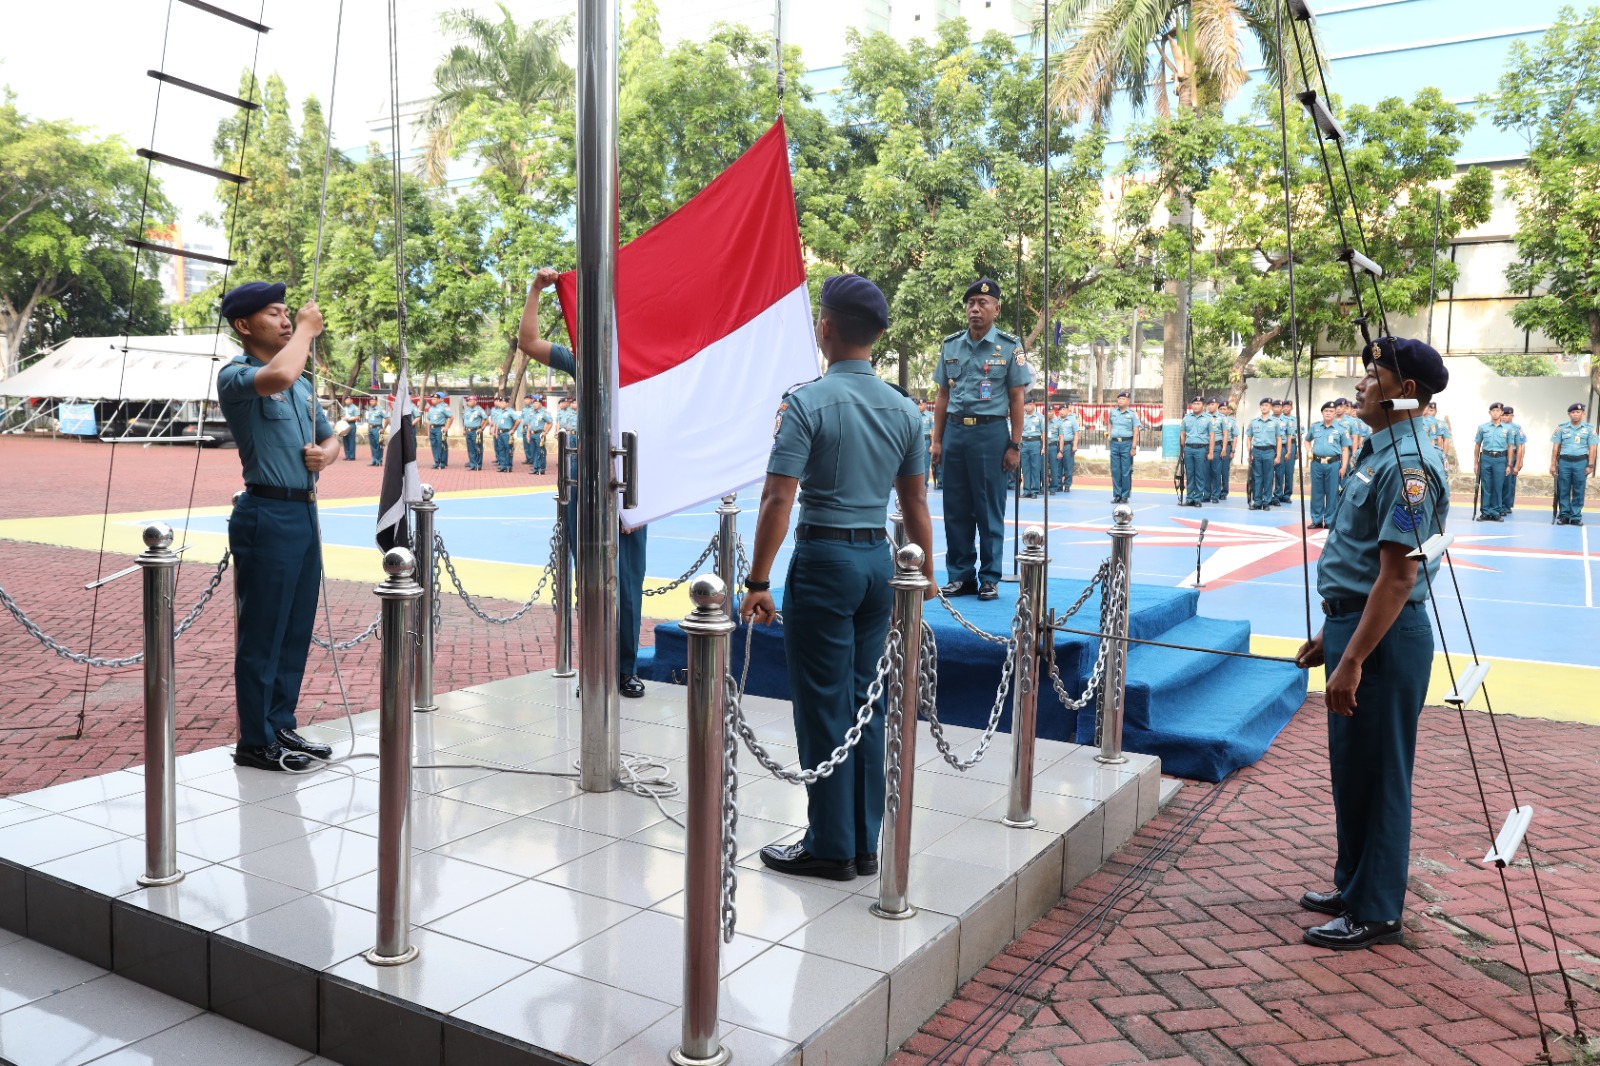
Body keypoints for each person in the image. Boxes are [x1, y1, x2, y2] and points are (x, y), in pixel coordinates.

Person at [740, 274, 935, 881]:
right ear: (877, 336)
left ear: (826, 328)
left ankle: (829, 846)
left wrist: (757, 580)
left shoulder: (807, 403)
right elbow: (916, 503)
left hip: (824, 562)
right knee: (866, 704)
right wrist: (923, 573)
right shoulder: (905, 409)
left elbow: (778, 498)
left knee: (825, 708)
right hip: (881, 565)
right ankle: (864, 842)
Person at [1294, 335, 1450, 951]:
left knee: (1381, 773)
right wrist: (1330, 637)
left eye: (1373, 372)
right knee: (1353, 771)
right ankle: (1353, 885)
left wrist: (1353, 656)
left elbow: (1398, 575)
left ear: (1404, 390)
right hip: (1356, 628)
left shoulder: (1408, 465)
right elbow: (1362, 564)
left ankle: (1377, 909)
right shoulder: (1379, 451)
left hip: (1382, 641)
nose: (1360, 383)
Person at [214, 281, 338, 773]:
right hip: (266, 513)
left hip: (303, 510)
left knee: (294, 627)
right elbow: (281, 374)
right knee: (263, 632)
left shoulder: (302, 385)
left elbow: (330, 441)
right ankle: (255, 740)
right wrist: (307, 331)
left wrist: (321, 457)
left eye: (290, 313)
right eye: (275, 313)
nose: (287, 320)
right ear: (245, 326)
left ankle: (281, 722)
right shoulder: (237, 376)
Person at [518, 268, 649, 698]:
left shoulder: (650, 362)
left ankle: (624, 669)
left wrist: (637, 506)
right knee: (592, 584)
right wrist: (537, 290)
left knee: (628, 588)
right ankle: (595, 669)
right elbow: (529, 343)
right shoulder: (585, 358)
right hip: (586, 486)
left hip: (630, 484)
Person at [932, 279, 1030, 601]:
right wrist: (936, 441)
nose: (975, 308)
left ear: (996, 308)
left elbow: (1017, 399)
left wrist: (1014, 444)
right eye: (970, 303)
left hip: (990, 435)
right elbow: (942, 396)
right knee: (955, 508)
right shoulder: (951, 346)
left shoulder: (1009, 347)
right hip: (956, 433)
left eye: (982, 303)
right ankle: (960, 576)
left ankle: (989, 577)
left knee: (988, 508)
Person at [1305, 401, 1350, 528]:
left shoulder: (1341, 429)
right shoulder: (1315, 427)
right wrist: (1309, 451)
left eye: (1331, 411)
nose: (1328, 413)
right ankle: (1317, 520)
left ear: (1335, 413)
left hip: (1333, 464)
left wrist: (1344, 467)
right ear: (1322, 413)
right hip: (1317, 463)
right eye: (1326, 411)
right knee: (1317, 492)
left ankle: (1330, 521)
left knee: (1332, 493)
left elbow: (1345, 450)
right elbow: (1307, 440)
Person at [1551, 402, 1597, 525]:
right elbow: (1556, 447)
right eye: (1573, 412)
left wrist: (1590, 465)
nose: (1575, 414)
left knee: (1579, 489)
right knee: (1563, 489)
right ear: (1569, 414)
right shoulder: (1561, 428)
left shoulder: (1589, 429)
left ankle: (1575, 516)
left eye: (1578, 412)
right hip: (1564, 462)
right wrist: (1553, 464)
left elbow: (1593, 448)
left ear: (1583, 414)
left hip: (1581, 462)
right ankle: (1564, 515)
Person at [1473, 402, 1511, 521]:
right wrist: (1476, 462)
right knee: (1486, 485)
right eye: (1493, 411)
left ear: (1501, 413)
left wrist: (1509, 464)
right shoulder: (1483, 427)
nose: (1495, 413)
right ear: (1490, 413)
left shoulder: (1507, 429)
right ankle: (1485, 511)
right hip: (1486, 458)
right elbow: (1477, 445)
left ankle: (1495, 512)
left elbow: (1510, 447)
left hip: (1500, 459)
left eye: (1498, 411)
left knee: (1498, 486)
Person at [1246, 398, 1282, 510]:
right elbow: (1249, 438)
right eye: (1262, 405)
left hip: (1269, 451)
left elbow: (1279, 439)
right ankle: (1257, 501)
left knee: (1268, 477)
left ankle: (1266, 502)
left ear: (1270, 407)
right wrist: (1249, 451)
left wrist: (1278, 455)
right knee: (1257, 477)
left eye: (1266, 405)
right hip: (1256, 451)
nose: (1264, 407)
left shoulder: (1275, 422)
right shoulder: (1254, 422)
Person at [1179, 396, 1212, 507]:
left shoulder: (1208, 419)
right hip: (1188, 449)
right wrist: (1182, 450)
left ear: (1203, 406)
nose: (1196, 406)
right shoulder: (1186, 418)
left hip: (1201, 449)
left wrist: (1211, 452)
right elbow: (1182, 435)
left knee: (1199, 474)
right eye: (1194, 404)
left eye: (1198, 404)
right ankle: (1189, 498)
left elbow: (1212, 436)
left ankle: (1198, 498)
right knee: (1190, 474)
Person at [1107, 391, 1138, 503]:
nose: (1120, 400)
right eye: (1119, 399)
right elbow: (1109, 423)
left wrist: (1133, 447)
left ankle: (1125, 495)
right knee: (1115, 470)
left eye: (1123, 399)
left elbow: (1136, 431)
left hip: (1126, 443)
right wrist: (1109, 433)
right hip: (1114, 443)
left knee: (1126, 470)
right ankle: (1117, 495)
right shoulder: (1113, 412)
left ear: (1128, 401)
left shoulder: (1132, 414)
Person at [1501, 405, 1525, 516]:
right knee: (1498, 482)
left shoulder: (1516, 428)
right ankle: (1498, 504)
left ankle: (1506, 505)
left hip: (1512, 456)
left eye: (1506, 415)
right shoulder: (1497, 426)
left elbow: (1521, 446)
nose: (1504, 417)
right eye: (1503, 415)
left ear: (1512, 416)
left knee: (1509, 483)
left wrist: (1519, 462)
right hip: (1499, 456)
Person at [1052, 404, 1080, 493]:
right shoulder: (1056, 421)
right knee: (1058, 466)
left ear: (1068, 410)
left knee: (1068, 466)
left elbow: (1076, 433)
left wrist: (1075, 445)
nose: (1061, 411)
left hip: (1068, 445)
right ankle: (1059, 485)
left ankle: (1067, 485)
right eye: (1060, 410)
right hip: (1057, 445)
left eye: (1064, 409)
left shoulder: (1072, 420)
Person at [1276, 399, 1300, 504]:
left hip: (1293, 445)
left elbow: (1299, 435)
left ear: (1291, 408)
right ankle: (1278, 494)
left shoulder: (1296, 420)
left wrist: (1297, 450)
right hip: (1281, 445)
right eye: (1284, 406)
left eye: (1288, 406)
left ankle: (1287, 495)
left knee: (1289, 472)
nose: (1286, 408)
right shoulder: (1278, 419)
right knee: (1279, 471)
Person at [1020, 401, 1044, 498]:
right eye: (1026, 404)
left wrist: (1043, 447)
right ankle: (1027, 490)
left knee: (1035, 467)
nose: (1028, 406)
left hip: (1035, 442)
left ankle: (1035, 490)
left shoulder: (1039, 417)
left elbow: (1043, 433)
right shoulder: (1022, 416)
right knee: (1025, 468)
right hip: (1024, 443)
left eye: (1030, 404)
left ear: (1034, 406)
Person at [1204, 398, 1225, 502]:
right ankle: (1207, 494)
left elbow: (1225, 434)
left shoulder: (1222, 418)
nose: (1210, 406)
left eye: (1212, 404)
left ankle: (1216, 495)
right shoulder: (1204, 417)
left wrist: (1224, 449)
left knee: (1216, 471)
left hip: (1217, 447)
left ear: (1217, 405)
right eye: (1209, 404)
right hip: (1205, 447)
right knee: (1206, 471)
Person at [425, 392, 452, 469]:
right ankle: (437, 462)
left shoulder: (444, 407)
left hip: (440, 428)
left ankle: (442, 462)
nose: (432, 400)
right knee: (434, 446)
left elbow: (451, 417)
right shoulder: (431, 408)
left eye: (434, 399)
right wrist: (428, 431)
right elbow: (428, 420)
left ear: (440, 399)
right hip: (432, 429)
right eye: (432, 399)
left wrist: (447, 427)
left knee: (441, 445)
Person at [491, 395, 517, 472]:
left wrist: (513, 430)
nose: (501, 404)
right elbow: (496, 423)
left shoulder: (510, 412)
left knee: (508, 449)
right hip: (499, 433)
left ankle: (508, 466)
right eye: (500, 402)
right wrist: (495, 432)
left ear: (507, 403)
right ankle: (503, 466)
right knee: (501, 449)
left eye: (503, 402)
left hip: (507, 433)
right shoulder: (499, 412)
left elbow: (518, 420)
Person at [460, 395, 487, 471]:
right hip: (468, 431)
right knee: (470, 449)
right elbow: (464, 420)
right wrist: (464, 429)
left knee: (477, 448)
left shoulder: (479, 410)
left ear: (475, 402)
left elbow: (485, 419)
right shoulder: (466, 410)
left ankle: (478, 465)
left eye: (470, 401)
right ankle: (472, 464)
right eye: (468, 401)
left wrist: (482, 428)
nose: (469, 402)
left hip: (476, 431)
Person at [1219, 402, 1239, 501]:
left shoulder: (1232, 421)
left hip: (1227, 447)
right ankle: (1215, 491)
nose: (1223, 411)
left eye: (1225, 409)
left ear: (1228, 410)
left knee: (1224, 470)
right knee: (1214, 470)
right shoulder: (1214, 420)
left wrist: (1233, 451)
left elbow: (1235, 436)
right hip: (1216, 446)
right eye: (1221, 409)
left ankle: (1224, 492)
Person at [919, 401, 937, 489]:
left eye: (921, 404)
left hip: (926, 440)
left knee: (925, 463)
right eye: (918, 404)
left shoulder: (930, 416)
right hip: (917, 441)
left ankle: (924, 483)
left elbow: (933, 431)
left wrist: (932, 444)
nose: (919, 406)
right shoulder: (915, 414)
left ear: (926, 405)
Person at [363, 398, 387, 466]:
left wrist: (384, 428)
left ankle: (379, 460)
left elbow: (387, 419)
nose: (371, 402)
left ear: (376, 401)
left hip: (378, 429)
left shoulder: (380, 410)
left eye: (373, 401)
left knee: (379, 445)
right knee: (373, 446)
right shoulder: (370, 410)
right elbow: (369, 420)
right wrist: (368, 430)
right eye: (370, 401)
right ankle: (374, 460)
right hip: (371, 429)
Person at [339, 395, 360, 460]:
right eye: (346, 400)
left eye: (348, 399)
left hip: (351, 424)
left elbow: (357, 417)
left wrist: (348, 419)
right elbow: (342, 416)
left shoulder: (355, 408)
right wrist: (343, 419)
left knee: (351, 440)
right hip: (345, 425)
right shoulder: (344, 408)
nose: (347, 401)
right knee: (345, 440)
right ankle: (347, 455)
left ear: (351, 400)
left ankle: (352, 456)